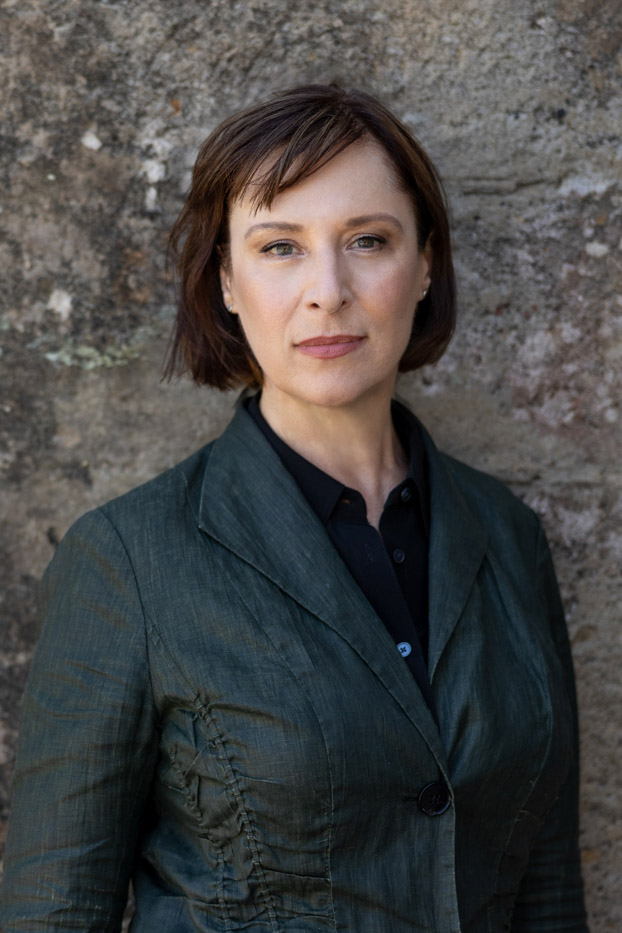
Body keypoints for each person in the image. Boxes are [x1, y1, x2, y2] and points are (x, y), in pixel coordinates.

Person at [0, 84, 588, 932]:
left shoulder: (509, 535)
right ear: (227, 281)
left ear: (425, 263)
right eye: (280, 246)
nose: (328, 289)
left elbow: (548, 894)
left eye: (368, 240)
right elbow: (54, 910)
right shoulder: (126, 561)